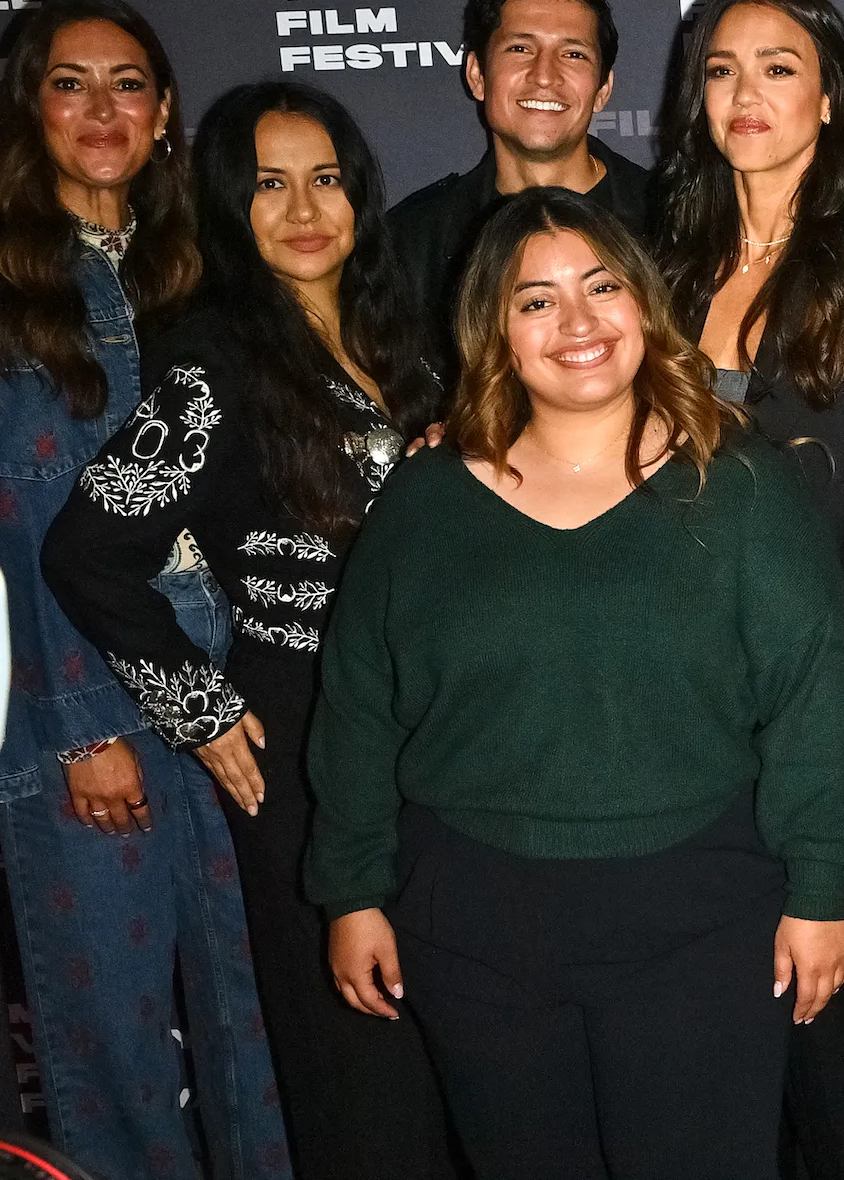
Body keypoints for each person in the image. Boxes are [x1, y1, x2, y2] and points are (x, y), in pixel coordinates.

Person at [304, 188, 844, 1180]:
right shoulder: (425, 497)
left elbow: (812, 694)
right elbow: (358, 705)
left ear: (643, 304)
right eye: (536, 300)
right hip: (474, 928)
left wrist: (822, 887)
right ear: (494, 329)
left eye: (600, 286)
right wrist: (351, 890)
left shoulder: (737, 485)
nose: (577, 322)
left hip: (698, 920)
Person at [42, 81, 458, 1179]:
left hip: (452, 734)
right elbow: (88, 551)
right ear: (228, 206)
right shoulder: (211, 363)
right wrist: (202, 710)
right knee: (359, 1058)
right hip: (310, 738)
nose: (304, 207)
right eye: (268, 184)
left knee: (459, 1041)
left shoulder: (407, 336)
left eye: (325, 178)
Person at [652, 0, 844, 1180]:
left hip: (827, 741)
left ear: (828, 97)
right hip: (670, 744)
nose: (747, 94)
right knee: (704, 1084)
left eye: (778, 67)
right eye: (722, 70)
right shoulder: (640, 270)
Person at [0, 0, 291, 1180]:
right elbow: (22, 524)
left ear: (165, 110)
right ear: (30, 107)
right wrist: (81, 728)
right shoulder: (11, 286)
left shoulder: (205, 275)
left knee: (256, 1014)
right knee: (113, 1037)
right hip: (84, 707)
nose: (103, 108)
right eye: (71, 83)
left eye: (128, 83)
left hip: (233, 680)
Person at [389, 0, 649, 375]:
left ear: (602, 89)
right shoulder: (412, 245)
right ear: (476, 74)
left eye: (573, 54)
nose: (544, 75)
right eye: (520, 48)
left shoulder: (679, 223)